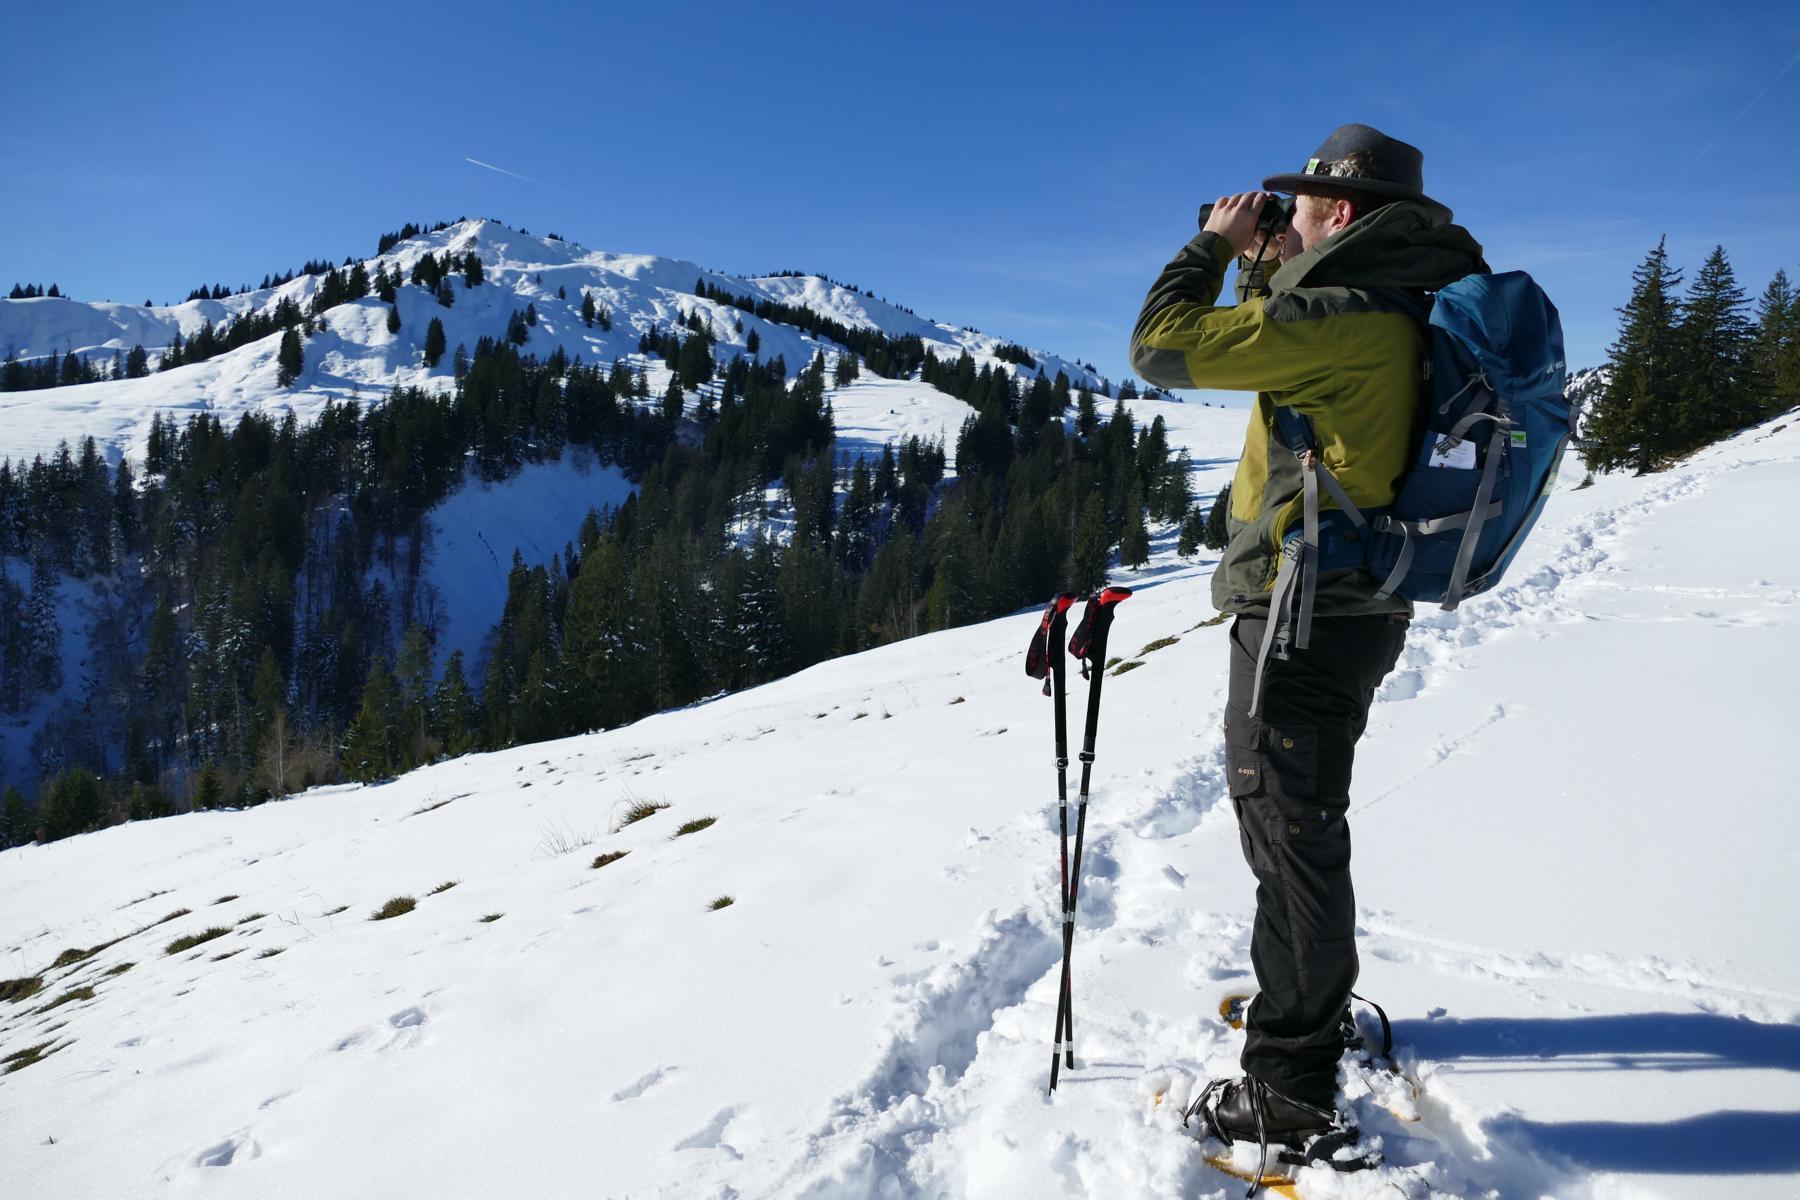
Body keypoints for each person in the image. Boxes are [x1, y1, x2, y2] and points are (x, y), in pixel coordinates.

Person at [1128, 125, 1488, 1154]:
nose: (1285, 219)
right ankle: (1305, 1006)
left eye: (1300, 207)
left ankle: (1290, 1082)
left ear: (1344, 211)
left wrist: (1209, 246)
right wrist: (1266, 266)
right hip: (1347, 604)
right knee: (1292, 822)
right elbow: (1282, 370)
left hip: (1305, 614)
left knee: (1289, 833)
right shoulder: (1389, 304)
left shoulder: (1347, 314)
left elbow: (1161, 347)